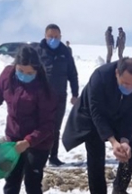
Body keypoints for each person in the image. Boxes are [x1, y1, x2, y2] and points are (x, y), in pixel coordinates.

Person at [0, 46, 57, 194]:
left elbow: (48, 125)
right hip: (13, 138)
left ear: (37, 70)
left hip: (38, 142)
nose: (24, 75)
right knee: (12, 179)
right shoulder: (7, 75)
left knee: (32, 181)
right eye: (20, 70)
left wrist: (29, 141)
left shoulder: (45, 90)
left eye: (29, 72)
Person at [62, 58, 132, 194]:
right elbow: (97, 113)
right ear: (117, 73)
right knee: (96, 160)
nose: (129, 87)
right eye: (125, 83)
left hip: (119, 115)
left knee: (130, 154)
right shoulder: (100, 76)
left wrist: (124, 140)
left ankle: (119, 190)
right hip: (92, 118)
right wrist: (113, 141)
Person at [38, 24, 80, 166]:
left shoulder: (65, 52)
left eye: (56, 37)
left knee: (55, 128)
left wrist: (75, 93)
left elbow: (72, 74)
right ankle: (37, 155)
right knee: (40, 126)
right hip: (41, 97)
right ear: (45, 36)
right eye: (51, 36)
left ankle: (53, 156)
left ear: (60, 36)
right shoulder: (38, 51)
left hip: (59, 96)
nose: (54, 39)